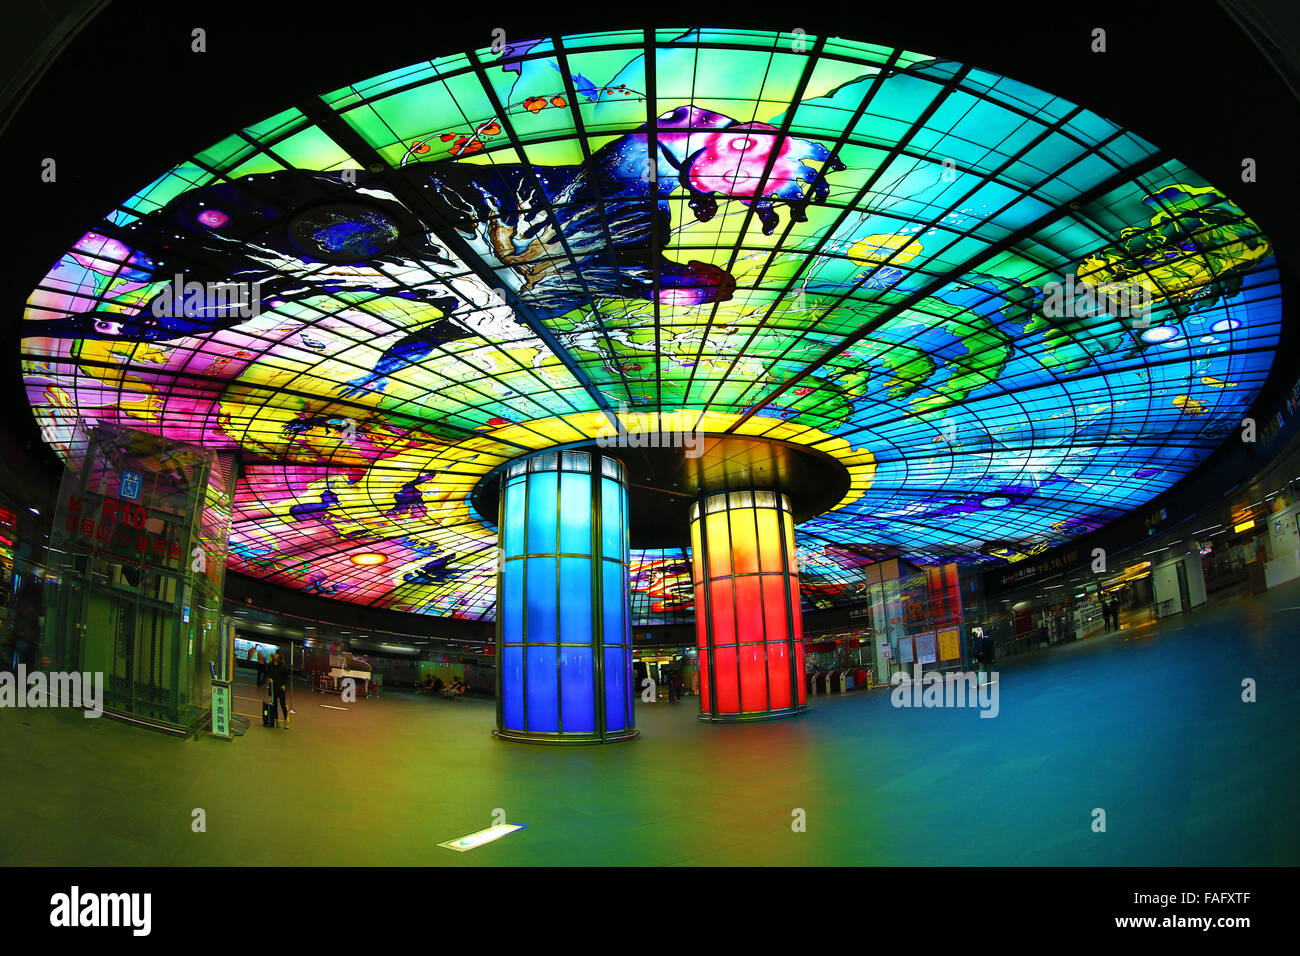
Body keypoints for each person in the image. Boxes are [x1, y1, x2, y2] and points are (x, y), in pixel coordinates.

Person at [266, 651, 290, 727]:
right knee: (274, 705)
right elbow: (267, 673)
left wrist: (284, 685)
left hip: (280, 688)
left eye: (276, 654)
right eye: (275, 654)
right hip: (273, 688)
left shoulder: (283, 667)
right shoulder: (270, 665)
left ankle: (286, 721)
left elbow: (286, 677)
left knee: (283, 704)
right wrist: (269, 678)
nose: (275, 655)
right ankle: (276, 720)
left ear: (279, 656)